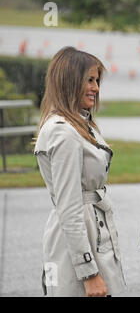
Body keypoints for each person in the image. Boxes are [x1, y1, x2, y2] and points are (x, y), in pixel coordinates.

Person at [34, 47, 126, 297]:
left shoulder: (80, 122)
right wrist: (89, 272)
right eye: (89, 80)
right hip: (77, 242)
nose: (96, 88)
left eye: (97, 81)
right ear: (68, 81)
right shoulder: (64, 131)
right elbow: (69, 208)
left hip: (93, 232)